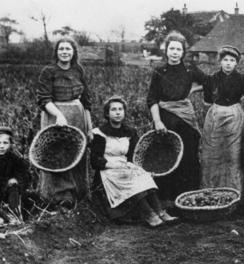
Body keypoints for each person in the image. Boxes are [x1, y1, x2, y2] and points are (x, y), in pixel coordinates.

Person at [90, 96, 178, 227]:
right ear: (107, 114)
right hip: (107, 171)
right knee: (130, 181)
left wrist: (139, 168)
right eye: (113, 110)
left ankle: (160, 211)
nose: (118, 112)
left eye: (120, 109)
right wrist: (111, 164)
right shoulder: (99, 133)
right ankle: (149, 215)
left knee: (142, 175)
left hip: (125, 166)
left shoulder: (130, 132)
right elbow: (94, 161)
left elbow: (134, 156)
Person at [146, 31, 206, 201]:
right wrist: (157, 121)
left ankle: (188, 198)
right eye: (171, 48)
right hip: (165, 120)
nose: (174, 52)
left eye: (178, 49)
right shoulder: (159, 70)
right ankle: (167, 200)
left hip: (185, 118)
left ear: (183, 51)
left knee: (189, 156)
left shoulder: (190, 69)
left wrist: (193, 90)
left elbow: (209, 82)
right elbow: (152, 98)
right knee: (166, 157)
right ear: (166, 50)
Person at [36, 37, 92, 207]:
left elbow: (87, 101)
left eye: (68, 49)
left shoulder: (79, 70)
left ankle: (78, 194)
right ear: (56, 52)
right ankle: (57, 198)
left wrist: (89, 127)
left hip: (77, 115)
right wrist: (59, 115)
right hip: (54, 116)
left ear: (73, 52)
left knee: (76, 154)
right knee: (56, 155)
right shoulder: (49, 71)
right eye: (61, 49)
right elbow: (43, 98)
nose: (65, 52)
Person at [200, 45, 244, 191]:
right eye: (225, 59)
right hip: (215, 117)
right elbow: (207, 103)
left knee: (234, 154)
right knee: (212, 153)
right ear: (220, 61)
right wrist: (215, 114)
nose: (228, 63)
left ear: (236, 63)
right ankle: (212, 189)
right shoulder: (211, 79)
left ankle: (234, 190)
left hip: (236, 117)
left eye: (232, 60)